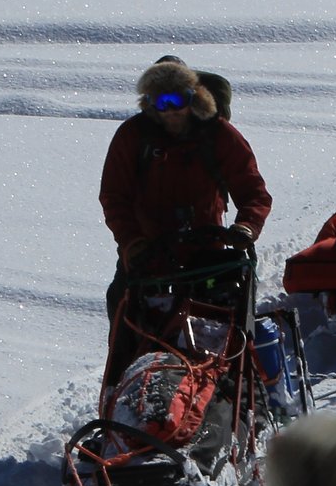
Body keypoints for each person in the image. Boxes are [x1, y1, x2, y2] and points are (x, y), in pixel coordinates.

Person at [98, 57, 273, 385]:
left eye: (177, 100)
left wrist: (246, 227)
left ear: (193, 97)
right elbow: (114, 197)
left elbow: (253, 191)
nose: (170, 111)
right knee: (127, 325)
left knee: (219, 332)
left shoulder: (217, 134)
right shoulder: (133, 137)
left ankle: (232, 390)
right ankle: (118, 394)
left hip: (207, 253)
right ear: (148, 104)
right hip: (148, 255)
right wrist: (132, 242)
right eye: (160, 102)